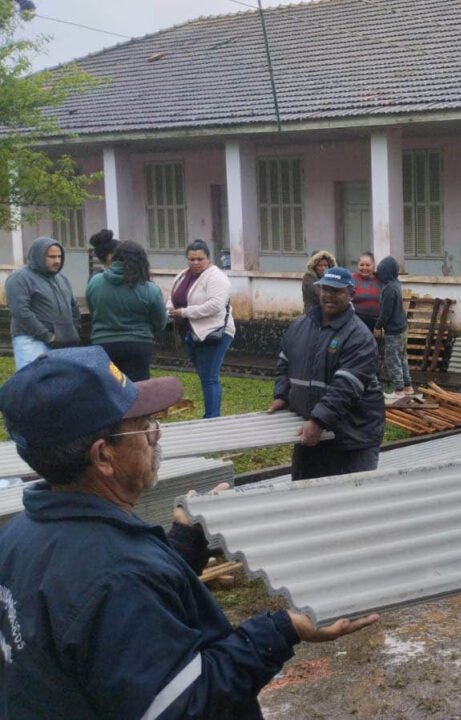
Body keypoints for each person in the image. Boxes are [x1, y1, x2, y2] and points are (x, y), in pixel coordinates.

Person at [0, 346, 380, 719]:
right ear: (104, 457)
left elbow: (112, 627)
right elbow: (186, 705)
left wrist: (183, 542)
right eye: (143, 426)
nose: (156, 435)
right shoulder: (116, 579)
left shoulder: (20, 537)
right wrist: (281, 629)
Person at [271, 266, 386, 480]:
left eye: (337, 291)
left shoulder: (358, 336)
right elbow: (284, 362)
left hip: (352, 439)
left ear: (351, 294)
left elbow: (346, 386)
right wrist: (281, 395)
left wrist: (318, 421)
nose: (328, 295)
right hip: (312, 436)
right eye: (325, 289)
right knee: (307, 503)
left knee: (348, 503)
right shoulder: (301, 326)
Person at [167, 239, 235, 418]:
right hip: (191, 332)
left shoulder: (216, 277)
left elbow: (215, 305)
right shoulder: (183, 275)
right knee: (203, 375)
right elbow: (173, 297)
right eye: (191, 259)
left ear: (208, 259)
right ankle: (210, 415)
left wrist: (184, 312)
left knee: (210, 377)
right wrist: (171, 309)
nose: (195, 263)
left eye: (200, 259)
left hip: (213, 332)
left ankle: (212, 417)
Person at [85, 240, 167, 381]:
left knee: (109, 388)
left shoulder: (94, 282)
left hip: (103, 344)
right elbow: (160, 322)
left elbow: (94, 312)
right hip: (138, 345)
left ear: (115, 257)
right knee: (137, 391)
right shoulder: (150, 290)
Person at [4, 236, 81, 369]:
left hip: (62, 344)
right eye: (51, 257)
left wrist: (73, 330)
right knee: (32, 384)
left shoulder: (62, 279)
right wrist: (47, 336)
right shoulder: (20, 278)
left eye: (59, 256)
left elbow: (73, 307)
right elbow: (20, 311)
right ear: (38, 256)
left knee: (59, 386)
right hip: (31, 341)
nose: (57, 261)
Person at [374, 256, 413, 399]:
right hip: (402, 327)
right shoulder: (396, 283)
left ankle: (399, 390)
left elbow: (386, 312)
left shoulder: (388, 289)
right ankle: (408, 386)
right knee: (402, 358)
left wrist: (378, 326)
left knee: (392, 359)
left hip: (394, 330)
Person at [351, 252, 381, 332]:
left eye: (368, 265)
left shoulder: (381, 279)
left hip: (376, 325)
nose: (364, 268)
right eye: (361, 265)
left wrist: (381, 325)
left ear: (373, 265)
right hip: (356, 323)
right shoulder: (351, 279)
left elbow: (387, 304)